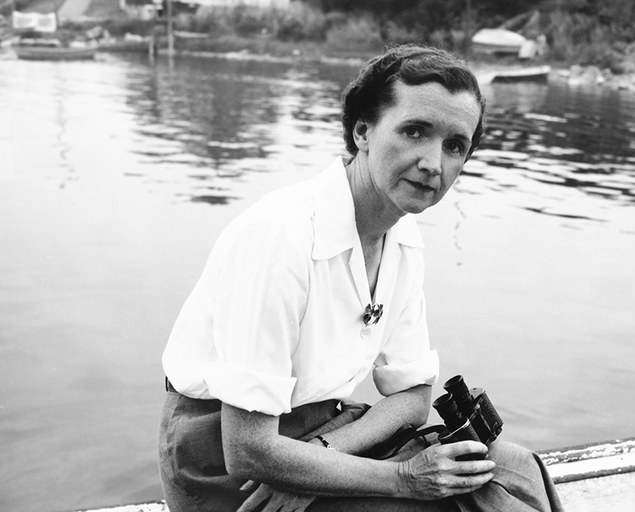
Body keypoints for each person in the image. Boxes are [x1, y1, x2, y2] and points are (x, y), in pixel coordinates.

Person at [158, 44, 563, 512]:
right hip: (226, 467)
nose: (434, 163)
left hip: (321, 430)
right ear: (363, 131)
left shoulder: (402, 240)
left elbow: (413, 396)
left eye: (455, 145)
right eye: (415, 131)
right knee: (441, 506)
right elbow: (247, 449)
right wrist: (403, 479)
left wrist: (321, 457)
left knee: (514, 468)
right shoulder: (281, 236)